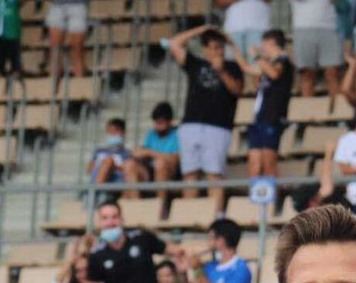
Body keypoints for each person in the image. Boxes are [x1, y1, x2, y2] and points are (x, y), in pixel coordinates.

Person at [169, 26, 245, 208]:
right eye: (212, 47)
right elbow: (175, 43)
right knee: (190, 173)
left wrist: (221, 71)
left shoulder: (233, 66)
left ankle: (216, 217)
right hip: (191, 125)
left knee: (214, 174)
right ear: (205, 49)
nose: (216, 51)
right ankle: (189, 217)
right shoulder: (196, 64)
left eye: (219, 47)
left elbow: (237, 89)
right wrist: (202, 29)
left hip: (218, 127)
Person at [285, 0, 343, 100]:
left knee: (332, 72)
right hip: (303, 28)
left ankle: (338, 116)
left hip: (328, 28)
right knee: (307, 72)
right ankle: (307, 113)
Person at [86, 201, 170, 283]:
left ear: (122, 219)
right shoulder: (96, 255)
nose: (110, 222)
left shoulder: (141, 238)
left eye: (114, 217)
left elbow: (172, 251)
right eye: (105, 218)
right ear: (99, 222)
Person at [245, 29, 293, 183]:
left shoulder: (283, 60)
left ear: (272, 43)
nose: (262, 47)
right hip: (260, 116)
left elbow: (274, 74)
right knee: (255, 165)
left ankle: (274, 203)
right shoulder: (267, 63)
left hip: (272, 116)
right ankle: (256, 203)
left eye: (264, 43)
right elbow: (254, 77)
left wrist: (257, 56)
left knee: (268, 164)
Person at [125, 102, 180, 208]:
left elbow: (174, 158)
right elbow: (144, 150)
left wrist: (151, 153)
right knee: (129, 165)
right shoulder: (151, 134)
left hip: (169, 171)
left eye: (161, 122)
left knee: (160, 164)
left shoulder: (177, 134)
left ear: (169, 121)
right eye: (156, 122)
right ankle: (135, 206)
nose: (157, 125)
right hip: (149, 169)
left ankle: (160, 207)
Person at [188, 218, 254, 283]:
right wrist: (182, 273)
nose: (207, 242)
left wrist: (198, 270)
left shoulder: (240, 268)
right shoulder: (210, 266)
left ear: (221, 240)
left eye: (210, 238)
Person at [88, 117, 131, 191]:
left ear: (123, 133)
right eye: (109, 131)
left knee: (109, 161)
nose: (112, 134)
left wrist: (112, 165)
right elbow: (89, 170)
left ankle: (95, 192)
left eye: (115, 131)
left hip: (116, 182)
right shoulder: (99, 151)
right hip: (97, 178)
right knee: (107, 162)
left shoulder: (127, 153)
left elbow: (127, 171)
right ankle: (96, 190)